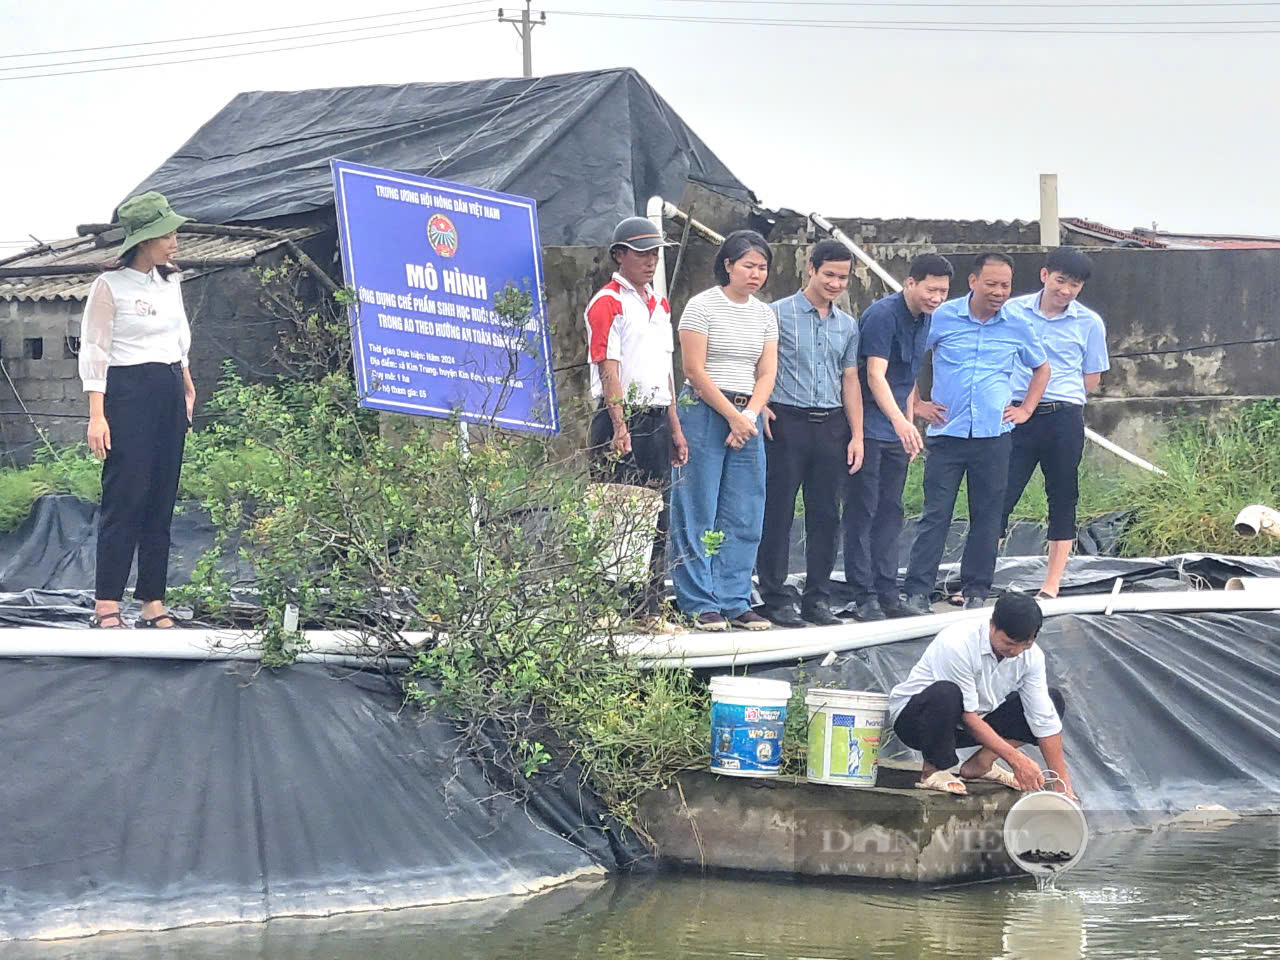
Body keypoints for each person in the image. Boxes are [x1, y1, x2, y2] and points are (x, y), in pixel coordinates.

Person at [900, 252, 1051, 615]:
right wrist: (918, 405)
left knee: (987, 515)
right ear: (972, 282)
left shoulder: (1016, 324)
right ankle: (918, 590)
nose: (999, 292)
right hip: (947, 433)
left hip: (993, 436)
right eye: (992, 284)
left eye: (1006, 285)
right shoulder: (943, 317)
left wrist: (1025, 409)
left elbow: (1042, 368)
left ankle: (976, 589)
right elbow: (907, 359)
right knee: (936, 513)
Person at [80, 192, 196, 629]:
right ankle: (107, 604)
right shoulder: (109, 287)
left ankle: (152, 601)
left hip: (168, 387)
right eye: (166, 234)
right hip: (127, 391)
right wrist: (98, 413)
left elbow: (179, 338)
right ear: (144, 239)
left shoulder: (171, 282)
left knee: (161, 497)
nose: (174, 241)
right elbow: (95, 349)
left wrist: (185, 384)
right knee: (126, 494)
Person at [584, 216, 689, 632]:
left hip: (657, 413)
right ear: (620, 255)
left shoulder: (659, 305)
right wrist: (619, 423)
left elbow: (664, 368)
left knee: (655, 514)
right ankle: (602, 605)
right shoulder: (607, 301)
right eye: (642, 253)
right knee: (615, 512)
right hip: (621, 413)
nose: (650, 261)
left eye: (655, 254)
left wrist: (675, 425)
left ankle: (647, 608)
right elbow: (607, 363)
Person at [670, 229, 778, 632]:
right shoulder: (702, 307)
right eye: (748, 265)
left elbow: (767, 371)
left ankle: (734, 598)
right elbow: (693, 369)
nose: (755, 274)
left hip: (747, 414)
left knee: (745, 510)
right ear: (728, 265)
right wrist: (730, 415)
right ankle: (698, 601)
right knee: (697, 506)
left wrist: (747, 416)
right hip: (703, 410)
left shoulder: (764, 314)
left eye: (762, 267)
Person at [755, 240, 863, 628]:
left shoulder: (847, 325)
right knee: (779, 512)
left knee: (825, 515)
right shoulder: (776, 315)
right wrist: (760, 404)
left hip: (831, 424)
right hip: (785, 421)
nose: (835, 284)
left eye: (843, 277)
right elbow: (758, 362)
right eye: (829, 275)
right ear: (811, 270)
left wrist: (857, 434)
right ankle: (775, 596)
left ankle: (817, 598)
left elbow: (850, 380)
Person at [843, 254, 954, 623]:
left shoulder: (926, 319)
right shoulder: (882, 315)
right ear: (911, 283)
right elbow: (875, 376)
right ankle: (864, 595)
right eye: (931, 289)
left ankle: (888, 590)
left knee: (892, 512)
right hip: (868, 427)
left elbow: (906, 379)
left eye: (943, 291)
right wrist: (900, 423)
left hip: (894, 431)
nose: (937, 297)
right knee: (864, 510)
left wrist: (908, 425)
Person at [888, 593, 1077, 799]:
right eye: (1008, 643)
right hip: (919, 721)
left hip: (973, 722)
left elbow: (1043, 719)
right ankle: (932, 769)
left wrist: (1063, 785)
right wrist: (1017, 760)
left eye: (1024, 645)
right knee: (946, 693)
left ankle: (982, 763)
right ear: (992, 626)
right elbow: (966, 715)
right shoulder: (958, 642)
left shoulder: (1032, 657)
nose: (1015, 651)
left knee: (1052, 701)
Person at [1000, 248, 1109, 599]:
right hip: (1016, 413)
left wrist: (1062, 396)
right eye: (1061, 281)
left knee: (1063, 496)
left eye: (1074, 285)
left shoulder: (1089, 323)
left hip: (1063, 416)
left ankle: (1052, 583)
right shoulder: (1013, 310)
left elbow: (1091, 377)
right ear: (1045, 275)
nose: (1065, 290)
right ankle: (977, 579)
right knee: (999, 492)